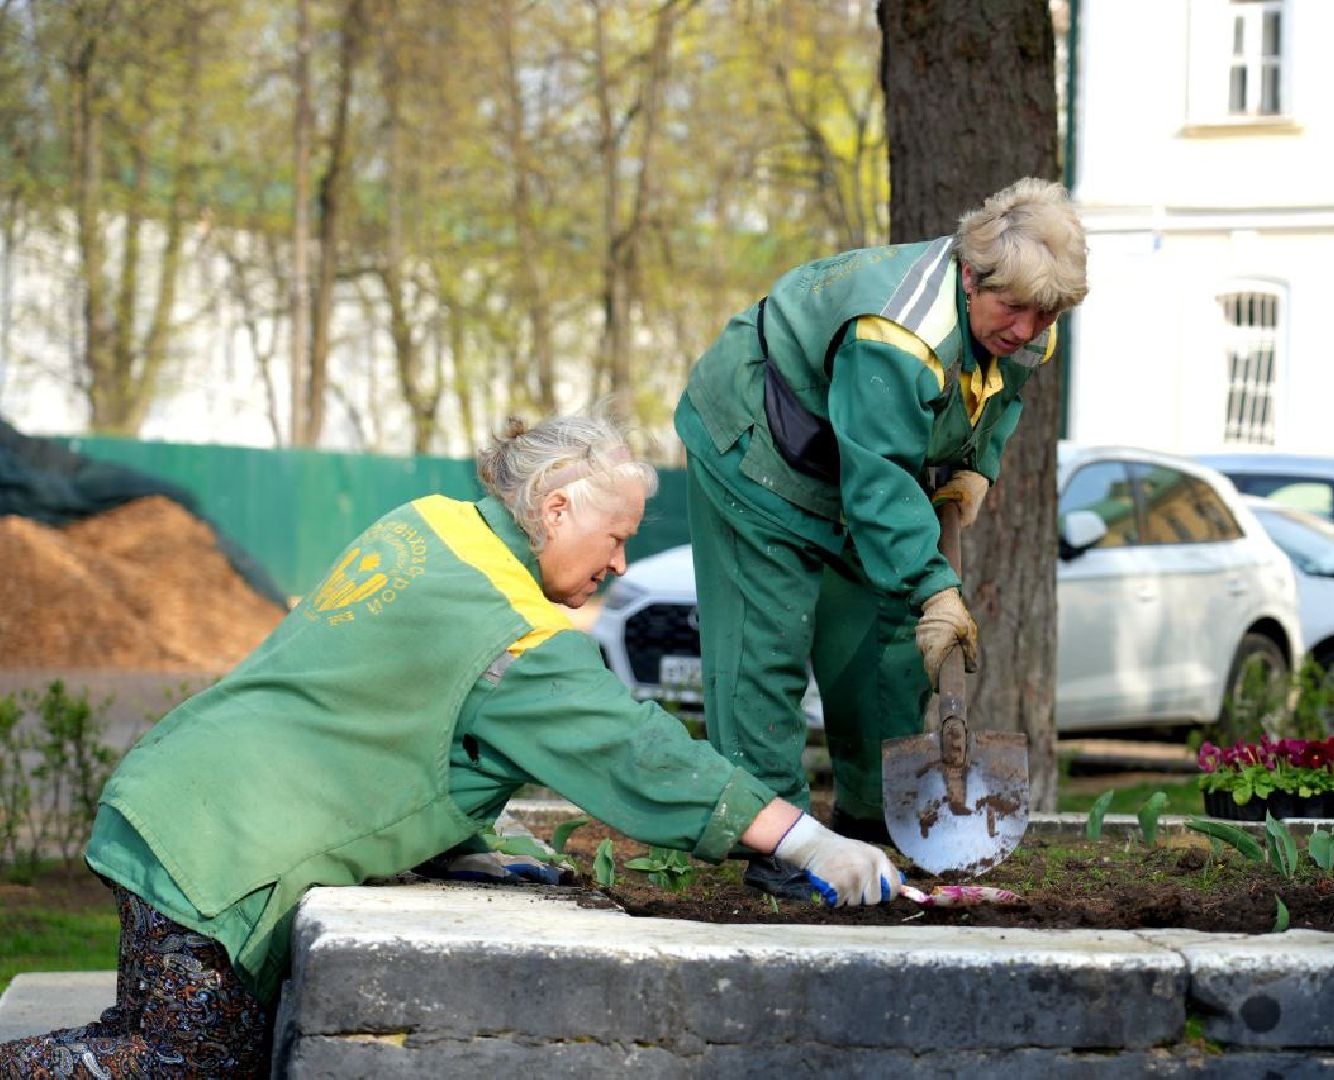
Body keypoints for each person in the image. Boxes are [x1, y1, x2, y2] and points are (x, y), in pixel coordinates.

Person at [0, 411, 900, 1077]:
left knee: (151, 1047)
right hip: (212, 848)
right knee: (177, 1064)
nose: (622, 563)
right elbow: (636, 752)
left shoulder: (431, 526)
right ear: (554, 511)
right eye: (616, 537)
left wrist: (471, 840)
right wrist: (802, 837)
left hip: (177, 800)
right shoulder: (511, 631)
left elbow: (387, 702)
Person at [674, 178, 1089, 900]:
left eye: (1044, 312)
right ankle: (777, 840)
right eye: (1013, 308)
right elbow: (878, 482)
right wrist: (937, 589)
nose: (1026, 328)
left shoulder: (1028, 323)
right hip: (757, 447)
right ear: (969, 274)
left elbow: (997, 399)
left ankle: (873, 818)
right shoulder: (897, 332)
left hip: (851, 453)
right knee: (765, 644)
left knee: (883, 636)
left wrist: (968, 474)